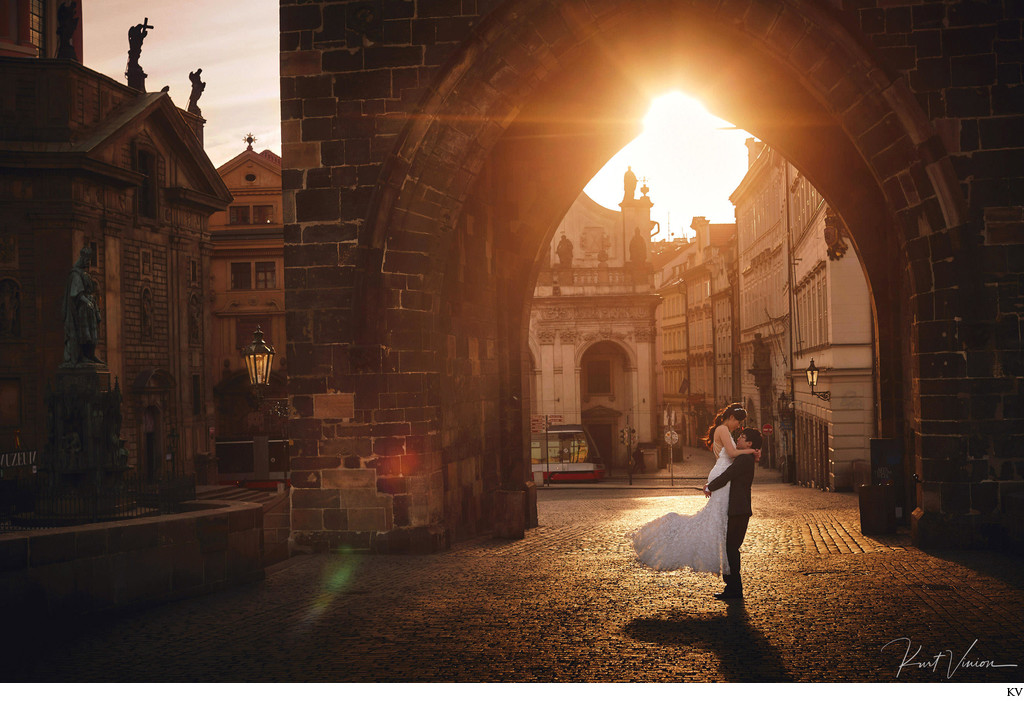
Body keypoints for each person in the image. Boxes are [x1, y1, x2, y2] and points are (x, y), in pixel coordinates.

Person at [630, 403, 757, 580]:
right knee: (715, 520)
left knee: (716, 520)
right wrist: (752, 451)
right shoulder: (723, 429)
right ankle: (729, 572)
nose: (739, 426)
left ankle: (729, 573)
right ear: (732, 418)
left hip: (721, 474)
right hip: (721, 474)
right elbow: (732, 452)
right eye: (738, 422)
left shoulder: (723, 430)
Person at [704, 427, 762, 600]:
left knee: (731, 549)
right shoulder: (745, 456)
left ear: (749, 443)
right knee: (730, 548)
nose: (738, 439)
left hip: (738, 509)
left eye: (742, 438)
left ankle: (734, 589)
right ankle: (733, 588)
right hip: (738, 509)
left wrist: (710, 486)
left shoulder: (744, 458)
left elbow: (728, 474)